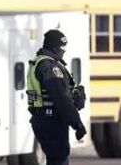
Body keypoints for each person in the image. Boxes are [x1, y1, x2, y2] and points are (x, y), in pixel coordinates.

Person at [26, 29, 87, 165]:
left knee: (55, 159)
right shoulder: (49, 67)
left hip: (43, 119)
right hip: (51, 121)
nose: (64, 51)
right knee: (59, 159)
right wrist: (77, 124)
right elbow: (62, 99)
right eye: (62, 47)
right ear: (54, 47)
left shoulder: (39, 62)